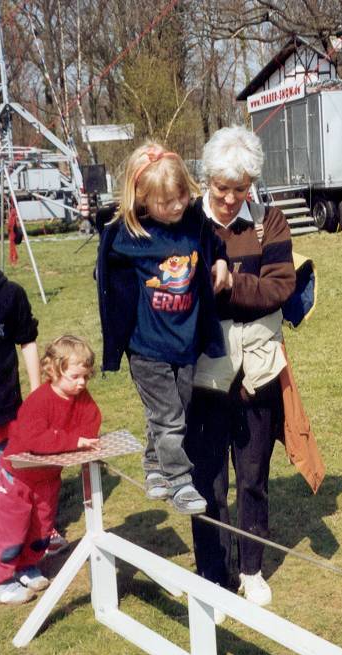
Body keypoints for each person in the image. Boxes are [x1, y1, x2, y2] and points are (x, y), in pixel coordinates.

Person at [185, 126, 299, 616]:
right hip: (203, 371)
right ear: (206, 180)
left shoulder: (270, 221)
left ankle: (250, 570)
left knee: (252, 476)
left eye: (240, 188)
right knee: (207, 478)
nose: (231, 199)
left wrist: (230, 285)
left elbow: (280, 288)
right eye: (221, 188)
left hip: (257, 370)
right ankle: (213, 571)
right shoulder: (187, 221)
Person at [96, 142, 228, 516]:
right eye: (164, 201)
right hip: (147, 347)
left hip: (185, 341)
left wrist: (220, 262)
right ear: (142, 200)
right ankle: (180, 482)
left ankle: (154, 465)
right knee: (168, 417)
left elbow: (213, 244)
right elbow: (106, 271)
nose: (175, 206)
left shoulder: (194, 221)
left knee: (177, 412)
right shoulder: (128, 235)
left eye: (181, 196)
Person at [0, 335, 101, 604]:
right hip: (17, 478)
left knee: (41, 528)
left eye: (85, 377)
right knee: (9, 531)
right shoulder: (39, 401)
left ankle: (27, 564)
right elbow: (34, 439)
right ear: (54, 370)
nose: (82, 383)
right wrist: (71, 440)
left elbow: (92, 422)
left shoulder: (81, 396)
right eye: (75, 376)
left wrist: (67, 438)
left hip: (48, 477)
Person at [0, 239, 40, 568]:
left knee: (14, 480)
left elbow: (27, 342)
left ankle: (19, 538)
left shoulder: (10, 295)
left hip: (3, 406)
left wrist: (36, 394)